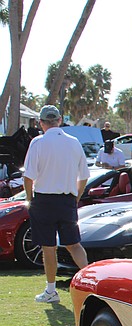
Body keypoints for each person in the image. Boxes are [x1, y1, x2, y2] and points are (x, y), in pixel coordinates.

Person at [22, 105, 89, 303]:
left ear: (42, 123)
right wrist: (75, 197)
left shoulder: (38, 142)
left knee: (48, 247)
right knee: (74, 244)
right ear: (59, 120)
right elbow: (84, 176)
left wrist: (29, 199)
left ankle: (51, 290)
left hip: (43, 199)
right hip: (67, 199)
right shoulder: (74, 142)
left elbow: (28, 176)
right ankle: (91, 283)